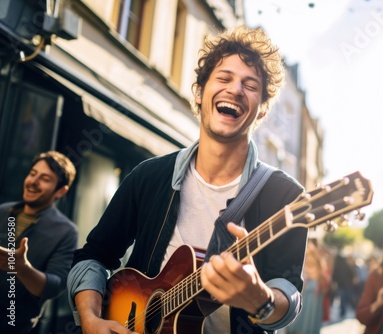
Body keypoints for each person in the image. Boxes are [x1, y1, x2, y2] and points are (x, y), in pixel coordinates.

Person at [67, 25, 308, 334]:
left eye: (250, 85)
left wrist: (261, 299)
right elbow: (94, 257)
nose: (235, 90)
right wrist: (90, 319)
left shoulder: (285, 195)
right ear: (199, 92)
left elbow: (289, 294)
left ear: (261, 111)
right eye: (223, 78)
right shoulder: (149, 176)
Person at [0, 151, 78, 333]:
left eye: (44, 178)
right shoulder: (2, 211)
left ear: (61, 190)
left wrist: (22, 268)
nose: (33, 182)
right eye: (33, 173)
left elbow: (55, 286)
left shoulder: (66, 231)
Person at [287, 240, 329, 334]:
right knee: (304, 314)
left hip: (314, 291)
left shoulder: (316, 261)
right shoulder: (305, 260)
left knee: (311, 314)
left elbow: (319, 275)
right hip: (308, 290)